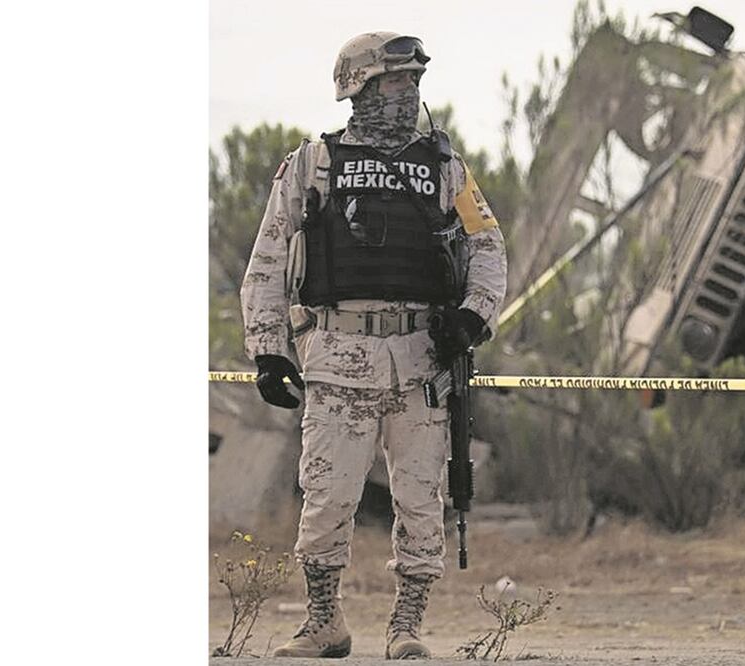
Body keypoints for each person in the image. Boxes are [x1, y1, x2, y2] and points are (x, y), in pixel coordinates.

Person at [239, 31, 507, 659]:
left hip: (422, 363)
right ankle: (323, 622)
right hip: (337, 356)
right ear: (357, 87)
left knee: (420, 500)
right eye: (394, 80)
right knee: (327, 496)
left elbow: (488, 249)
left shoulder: (445, 167)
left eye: (414, 81)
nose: (407, 92)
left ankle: (407, 627)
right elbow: (268, 259)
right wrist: (268, 349)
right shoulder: (313, 164)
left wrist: (471, 319)